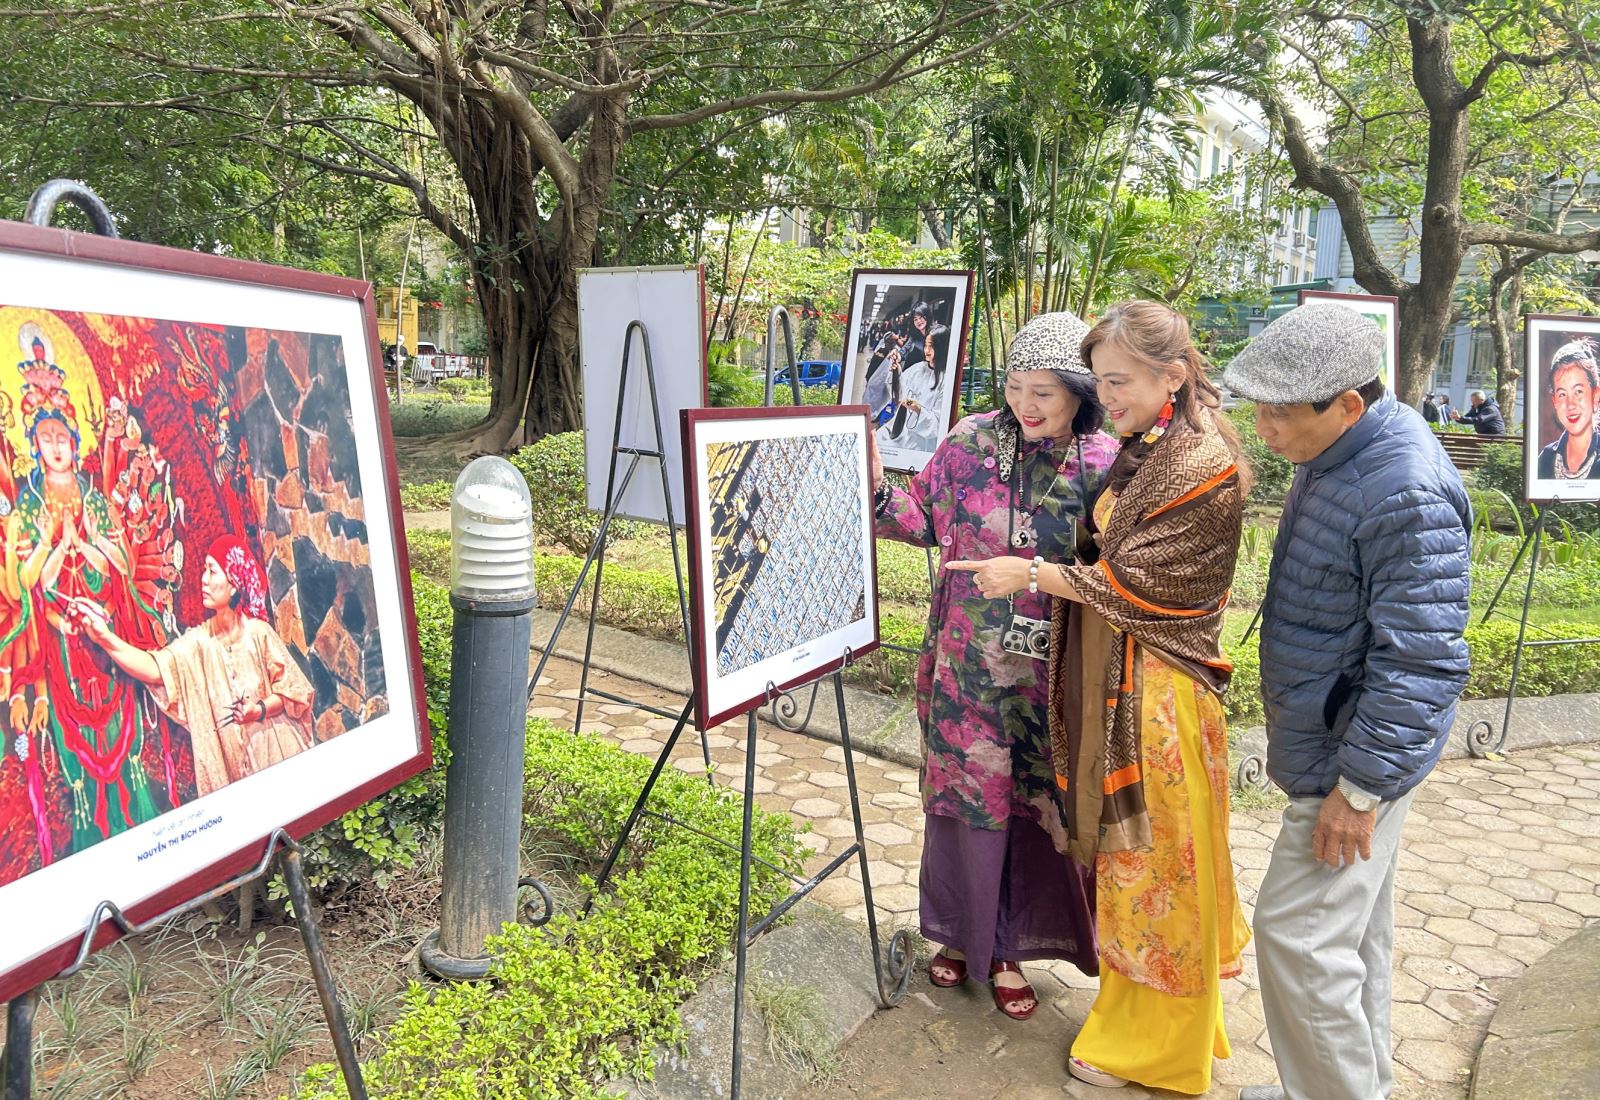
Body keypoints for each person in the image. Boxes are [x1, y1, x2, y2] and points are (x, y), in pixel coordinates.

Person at [953, 301, 1253, 1094]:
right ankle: (1137, 1026)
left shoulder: (1199, 462)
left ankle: (1157, 1048)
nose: (1107, 397)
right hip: (1126, 685)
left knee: (1158, 872)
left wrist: (1031, 573)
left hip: (1159, 696)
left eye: (1117, 382)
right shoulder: (1152, 445)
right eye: (1101, 381)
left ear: (1174, 376)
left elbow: (1136, 587)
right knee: (1134, 868)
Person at [1222, 303, 1471, 1100]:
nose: (1262, 427)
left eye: (1278, 413)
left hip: (1350, 758)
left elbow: (1423, 662)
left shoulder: (1403, 490)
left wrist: (1358, 790)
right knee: (1350, 934)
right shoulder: (1337, 455)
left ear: (1348, 404)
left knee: (1296, 937)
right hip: (1338, 739)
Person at [872, 312, 1119, 1021]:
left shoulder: (1105, 462)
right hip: (964, 672)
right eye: (1015, 387)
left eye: (1044, 391)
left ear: (1080, 391)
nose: (1026, 405)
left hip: (1050, 677)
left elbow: (1116, 577)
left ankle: (1009, 947)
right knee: (963, 804)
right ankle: (959, 938)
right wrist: (874, 481)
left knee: (1032, 806)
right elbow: (917, 518)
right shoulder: (970, 441)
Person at [70, 533, 314, 794]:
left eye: (212, 571)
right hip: (237, 779)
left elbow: (294, 692)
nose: (204, 579)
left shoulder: (258, 633)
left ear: (233, 584)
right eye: (205, 570)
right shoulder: (197, 645)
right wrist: (104, 637)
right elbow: (154, 669)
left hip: (280, 761)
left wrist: (258, 710)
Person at [1535, 338, 1600, 479]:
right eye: (1562, 394)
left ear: (1595, 395)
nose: (1570, 404)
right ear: (1554, 402)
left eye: (1578, 392)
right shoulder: (1546, 459)